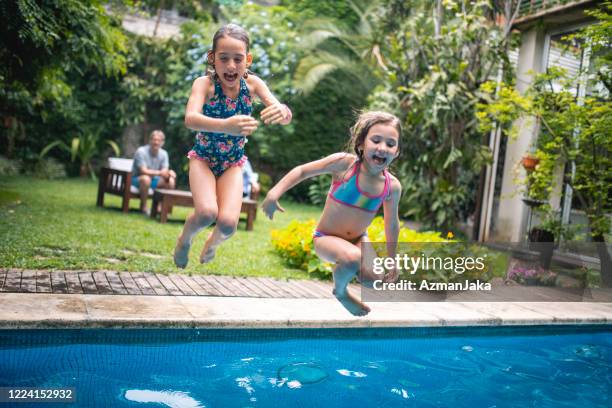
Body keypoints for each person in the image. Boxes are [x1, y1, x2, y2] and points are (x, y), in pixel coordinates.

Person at [174, 24, 292, 268]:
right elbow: (190, 119)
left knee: (228, 224)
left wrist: (283, 110)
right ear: (212, 58)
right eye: (223, 58)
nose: (230, 66)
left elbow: (281, 111)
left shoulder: (253, 85)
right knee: (207, 213)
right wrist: (226, 125)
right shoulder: (203, 84)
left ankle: (212, 244)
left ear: (247, 60)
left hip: (233, 163)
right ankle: (184, 239)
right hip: (203, 158)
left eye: (237, 59)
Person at [262, 111, 402, 316]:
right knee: (353, 257)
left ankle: (351, 268)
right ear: (362, 143)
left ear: (396, 152)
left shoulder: (392, 186)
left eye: (390, 144)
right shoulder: (345, 165)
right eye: (376, 140)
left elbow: (391, 224)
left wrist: (392, 260)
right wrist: (274, 193)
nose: (382, 148)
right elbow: (302, 171)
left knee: (375, 282)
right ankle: (341, 292)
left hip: (358, 239)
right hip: (325, 238)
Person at [132, 130, 176, 214]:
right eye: (154, 139)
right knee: (146, 179)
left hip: (153, 180)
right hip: (136, 179)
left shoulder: (164, 154)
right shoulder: (141, 151)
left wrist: (169, 173)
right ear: (150, 140)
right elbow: (143, 171)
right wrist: (160, 173)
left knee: (170, 181)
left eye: (159, 140)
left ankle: (160, 208)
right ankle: (143, 207)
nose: (156, 142)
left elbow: (164, 170)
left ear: (162, 142)